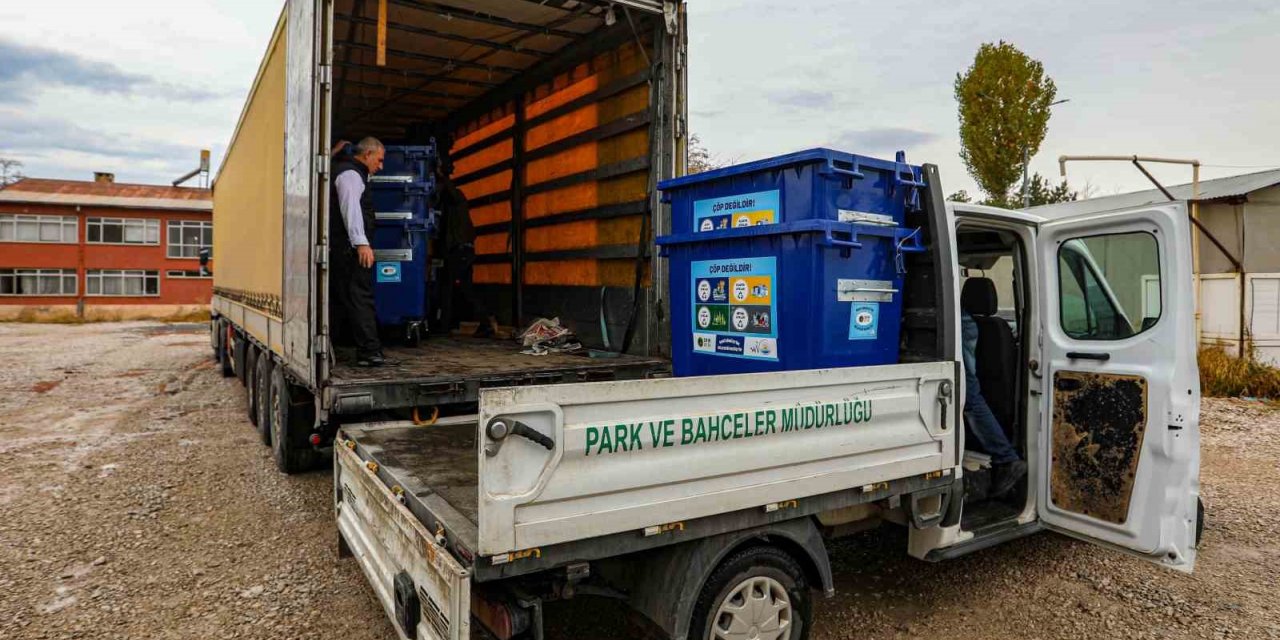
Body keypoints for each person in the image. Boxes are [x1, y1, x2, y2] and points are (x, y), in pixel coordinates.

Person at [330, 137, 396, 367]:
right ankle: (369, 351)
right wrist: (361, 242)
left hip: (344, 248)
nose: (381, 166)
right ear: (367, 154)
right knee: (361, 298)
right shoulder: (350, 175)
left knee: (346, 298)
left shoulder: (348, 170)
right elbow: (351, 208)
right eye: (379, 160)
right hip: (350, 250)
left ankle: (345, 345)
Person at [962, 310, 1027, 496]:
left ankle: (1007, 459)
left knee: (967, 395)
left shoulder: (972, 324)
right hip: (954, 319)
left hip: (956, 321)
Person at [434, 154, 498, 337]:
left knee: (448, 286)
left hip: (461, 250)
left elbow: (450, 191)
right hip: (464, 249)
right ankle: (485, 321)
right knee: (464, 288)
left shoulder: (456, 198)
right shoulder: (452, 204)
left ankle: (446, 325)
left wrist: (441, 175)